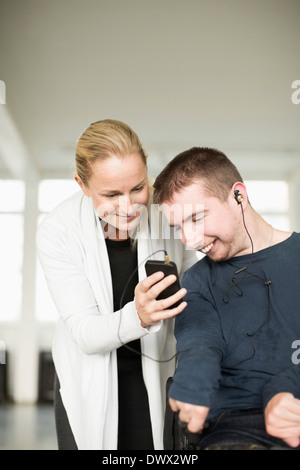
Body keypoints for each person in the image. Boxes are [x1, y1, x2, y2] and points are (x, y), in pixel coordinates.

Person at [36, 119, 197, 450]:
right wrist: (138, 316)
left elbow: (193, 284)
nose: (130, 207)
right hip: (88, 379)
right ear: (82, 184)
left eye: (138, 187)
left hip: (156, 372)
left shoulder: (166, 213)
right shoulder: (58, 230)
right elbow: (84, 333)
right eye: (111, 194)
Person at [153, 146, 300, 450]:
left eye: (196, 218)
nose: (190, 240)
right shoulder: (197, 280)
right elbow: (199, 342)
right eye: (179, 227)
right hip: (237, 427)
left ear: (238, 196)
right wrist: (193, 381)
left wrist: (284, 392)